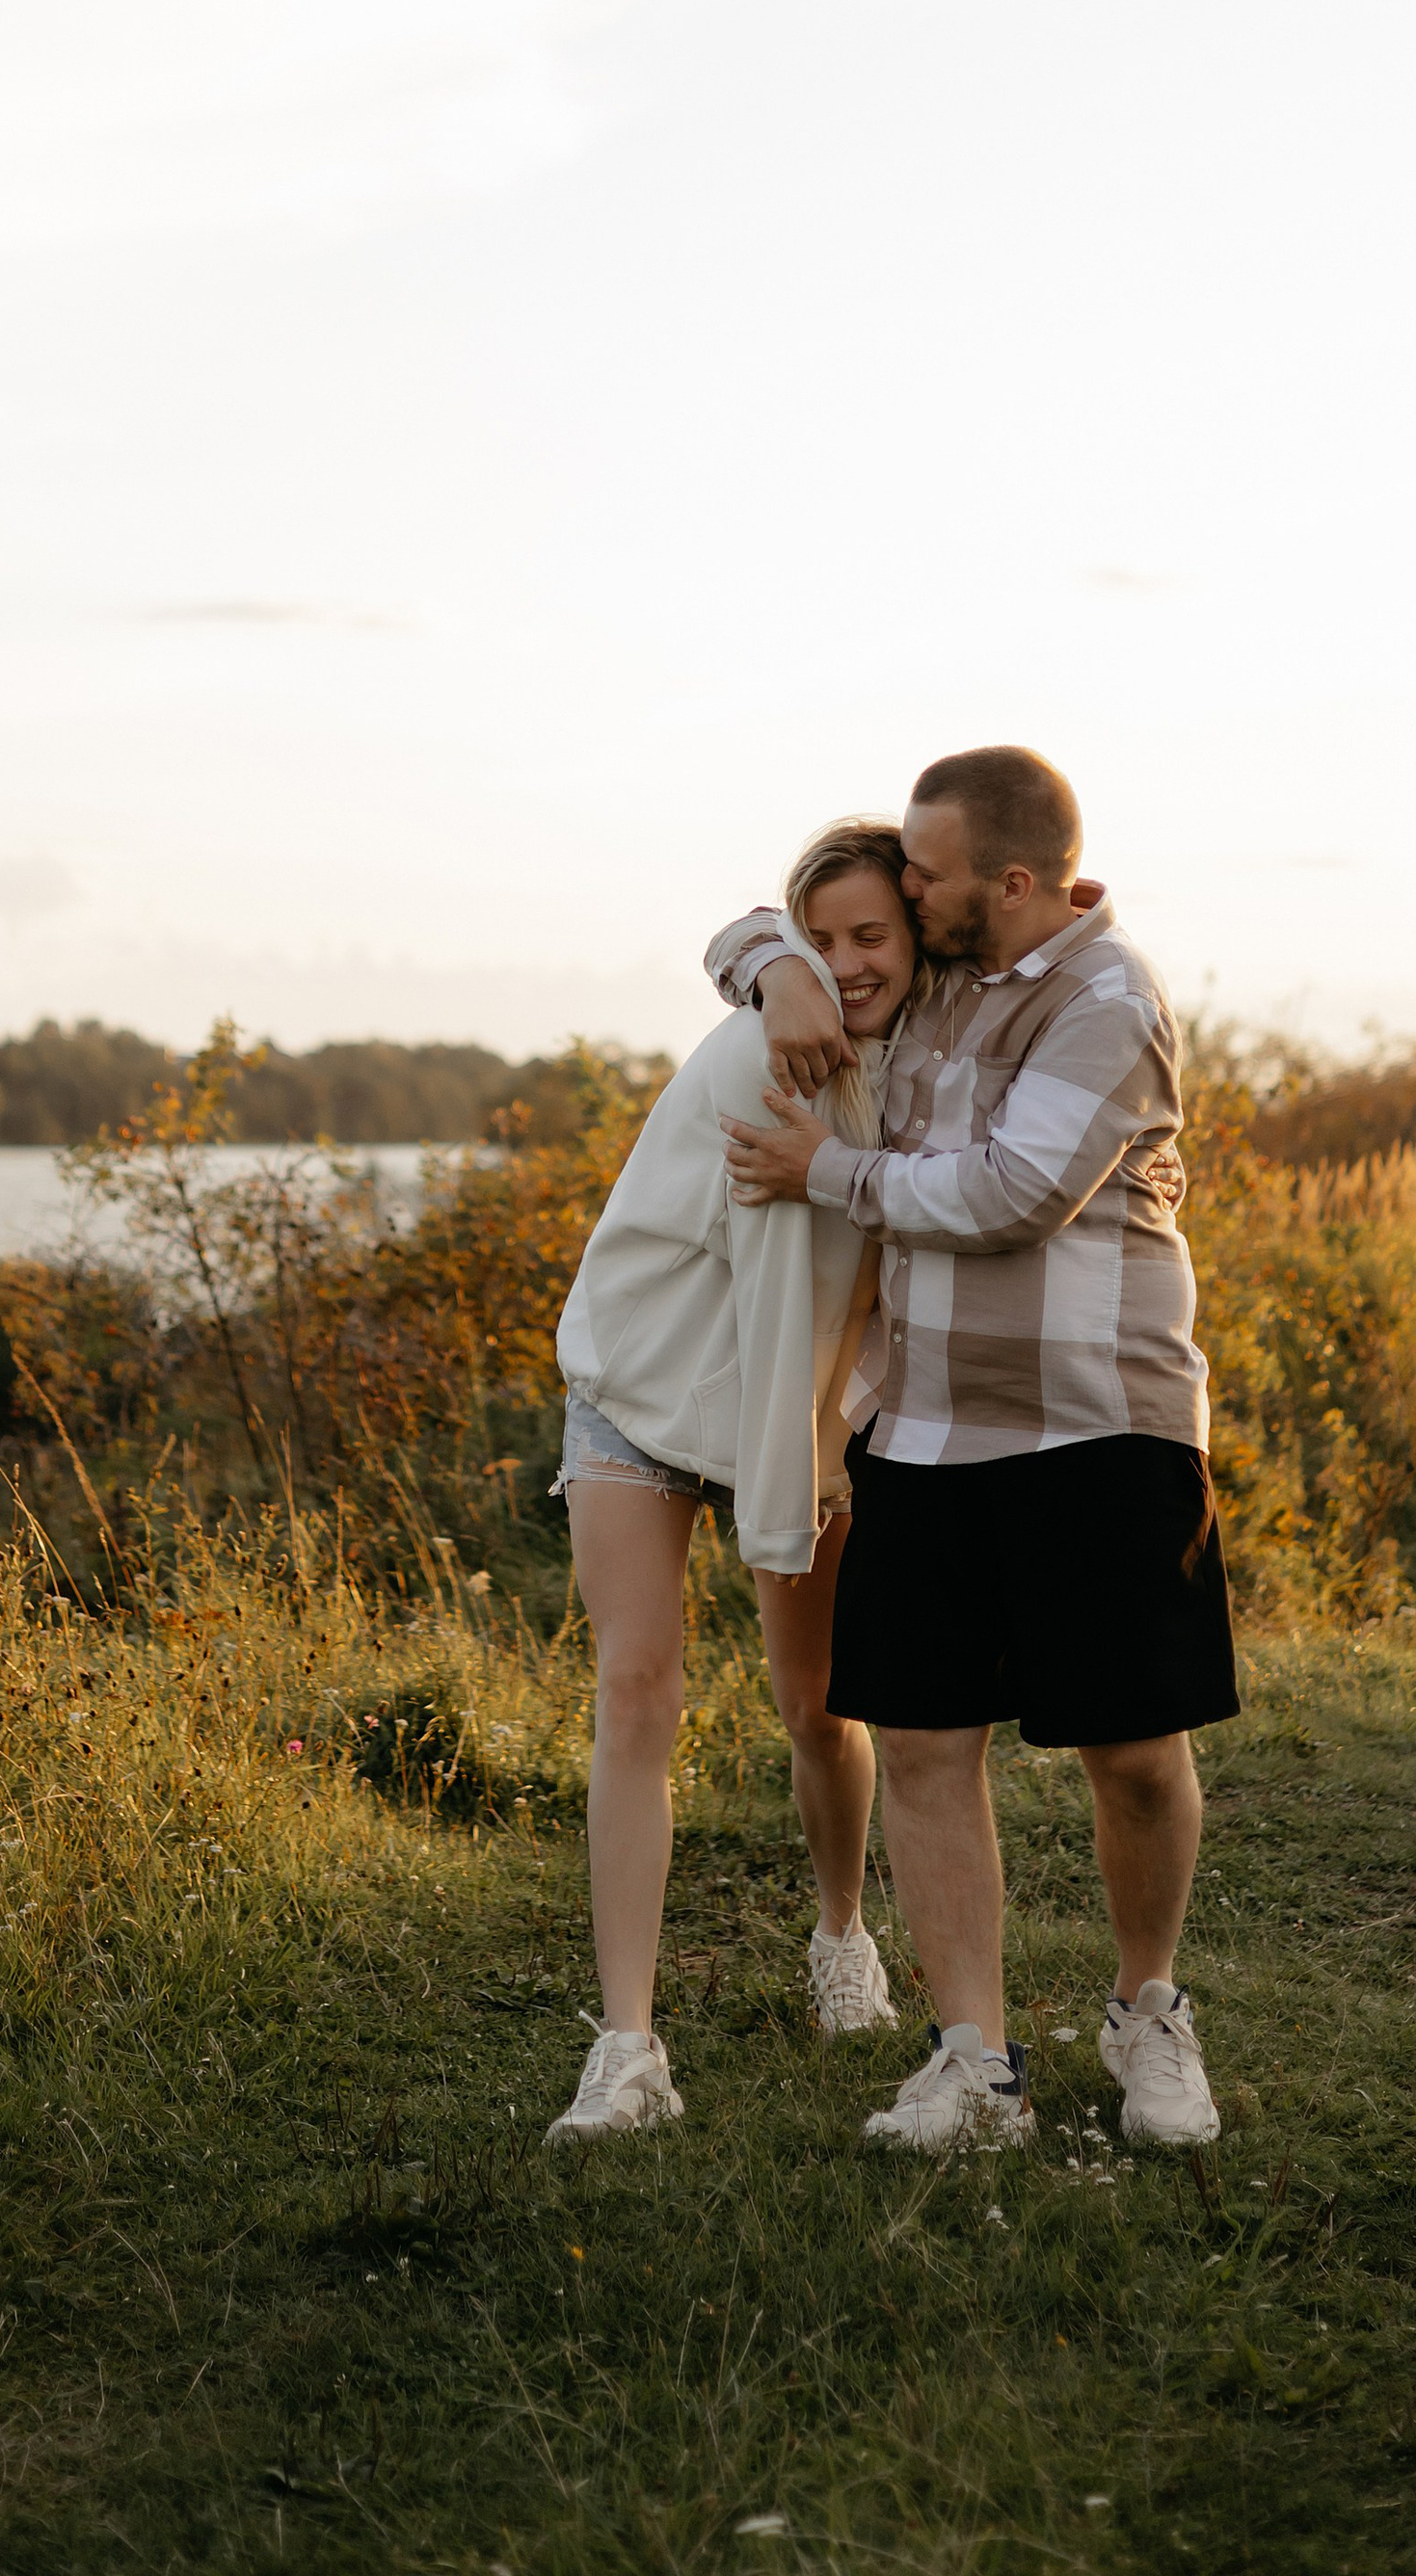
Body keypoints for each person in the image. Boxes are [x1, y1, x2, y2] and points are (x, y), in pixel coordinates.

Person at [716, 744, 1235, 2156]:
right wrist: (783, 970)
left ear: (1010, 883)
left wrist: (822, 1172)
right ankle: (974, 2063)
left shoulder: (1108, 1000)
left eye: (928, 873)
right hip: (926, 1430)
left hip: (1100, 1422)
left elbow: (1014, 1192)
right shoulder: (943, 972)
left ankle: (1148, 2012)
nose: (909, 886)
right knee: (928, 1740)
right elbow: (763, 924)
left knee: (1132, 1749)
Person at [543, 819, 924, 2144]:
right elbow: (769, 1277)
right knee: (638, 1688)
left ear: (918, 939)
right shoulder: (772, 1039)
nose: (843, 962)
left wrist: (824, 1438)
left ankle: (840, 1931)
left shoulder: (933, 1073)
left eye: (870, 935)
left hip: (796, 1413)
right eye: (819, 938)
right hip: (640, 1385)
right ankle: (629, 2044)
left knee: (816, 1701)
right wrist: (776, 964)